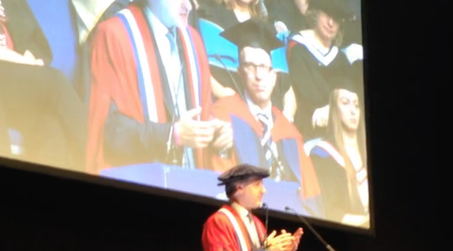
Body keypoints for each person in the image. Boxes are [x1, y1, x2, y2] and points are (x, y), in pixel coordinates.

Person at [86, 0, 233, 172]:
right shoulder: (115, 36)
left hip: (191, 183)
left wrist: (215, 133)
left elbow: (203, 115)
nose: (189, 6)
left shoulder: (194, 41)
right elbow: (111, 133)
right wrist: (172, 134)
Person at [210, 19, 322, 215]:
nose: (259, 76)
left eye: (264, 67)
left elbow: (312, 198)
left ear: (274, 76)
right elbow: (219, 185)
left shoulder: (289, 132)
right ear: (240, 72)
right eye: (250, 66)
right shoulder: (224, 115)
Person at [0, 0, 86, 171]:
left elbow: (35, 41)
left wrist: (30, 59)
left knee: (51, 126)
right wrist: (16, 60)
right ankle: (95, 167)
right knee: (56, 83)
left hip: (18, 82)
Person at [198, 0, 297, 118]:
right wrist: (225, 95)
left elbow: (286, 87)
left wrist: (285, 117)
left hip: (272, 121)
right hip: (228, 116)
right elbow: (199, 70)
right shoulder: (209, 19)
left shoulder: (269, 25)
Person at [307, 62, 367, 226]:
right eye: (345, 103)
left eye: (356, 104)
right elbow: (331, 211)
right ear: (334, 108)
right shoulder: (322, 155)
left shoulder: (368, 154)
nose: (353, 110)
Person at [286, 0, 354, 139]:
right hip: (307, 128)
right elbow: (305, 96)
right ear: (315, 12)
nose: (330, 23)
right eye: (327, 15)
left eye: (336, 19)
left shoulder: (341, 59)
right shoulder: (298, 47)